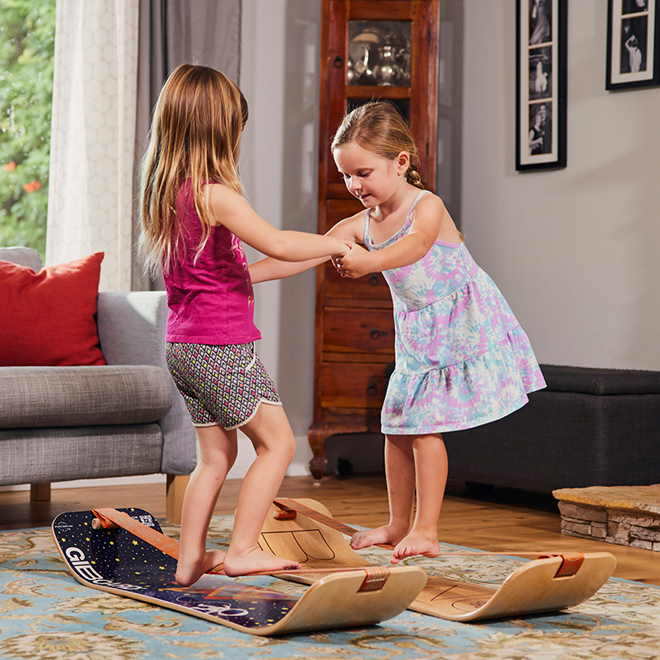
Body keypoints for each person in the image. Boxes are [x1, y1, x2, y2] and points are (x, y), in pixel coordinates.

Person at [250, 102, 545, 565]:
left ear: (401, 162)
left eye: (363, 173)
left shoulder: (427, 206)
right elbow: (303, 254)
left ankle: (427, 530)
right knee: (396, 427)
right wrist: (241, 277)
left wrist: (369, 261)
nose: (354, 185)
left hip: (459, 324)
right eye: (346, 176)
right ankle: (398, 523)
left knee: (426, 428)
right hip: (416, 333)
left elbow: (416, 245)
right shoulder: (359, 225)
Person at [139, 64, 349, 586]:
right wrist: (333, 242)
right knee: (279, 445)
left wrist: (327, 248)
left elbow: (254, 270)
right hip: (221, 348)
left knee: (215, 458)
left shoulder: (171, 197)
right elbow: (277, 242)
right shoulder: (215, 194)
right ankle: (241, 551)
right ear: (217, 129)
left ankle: (190, 559)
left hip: (185, 346)